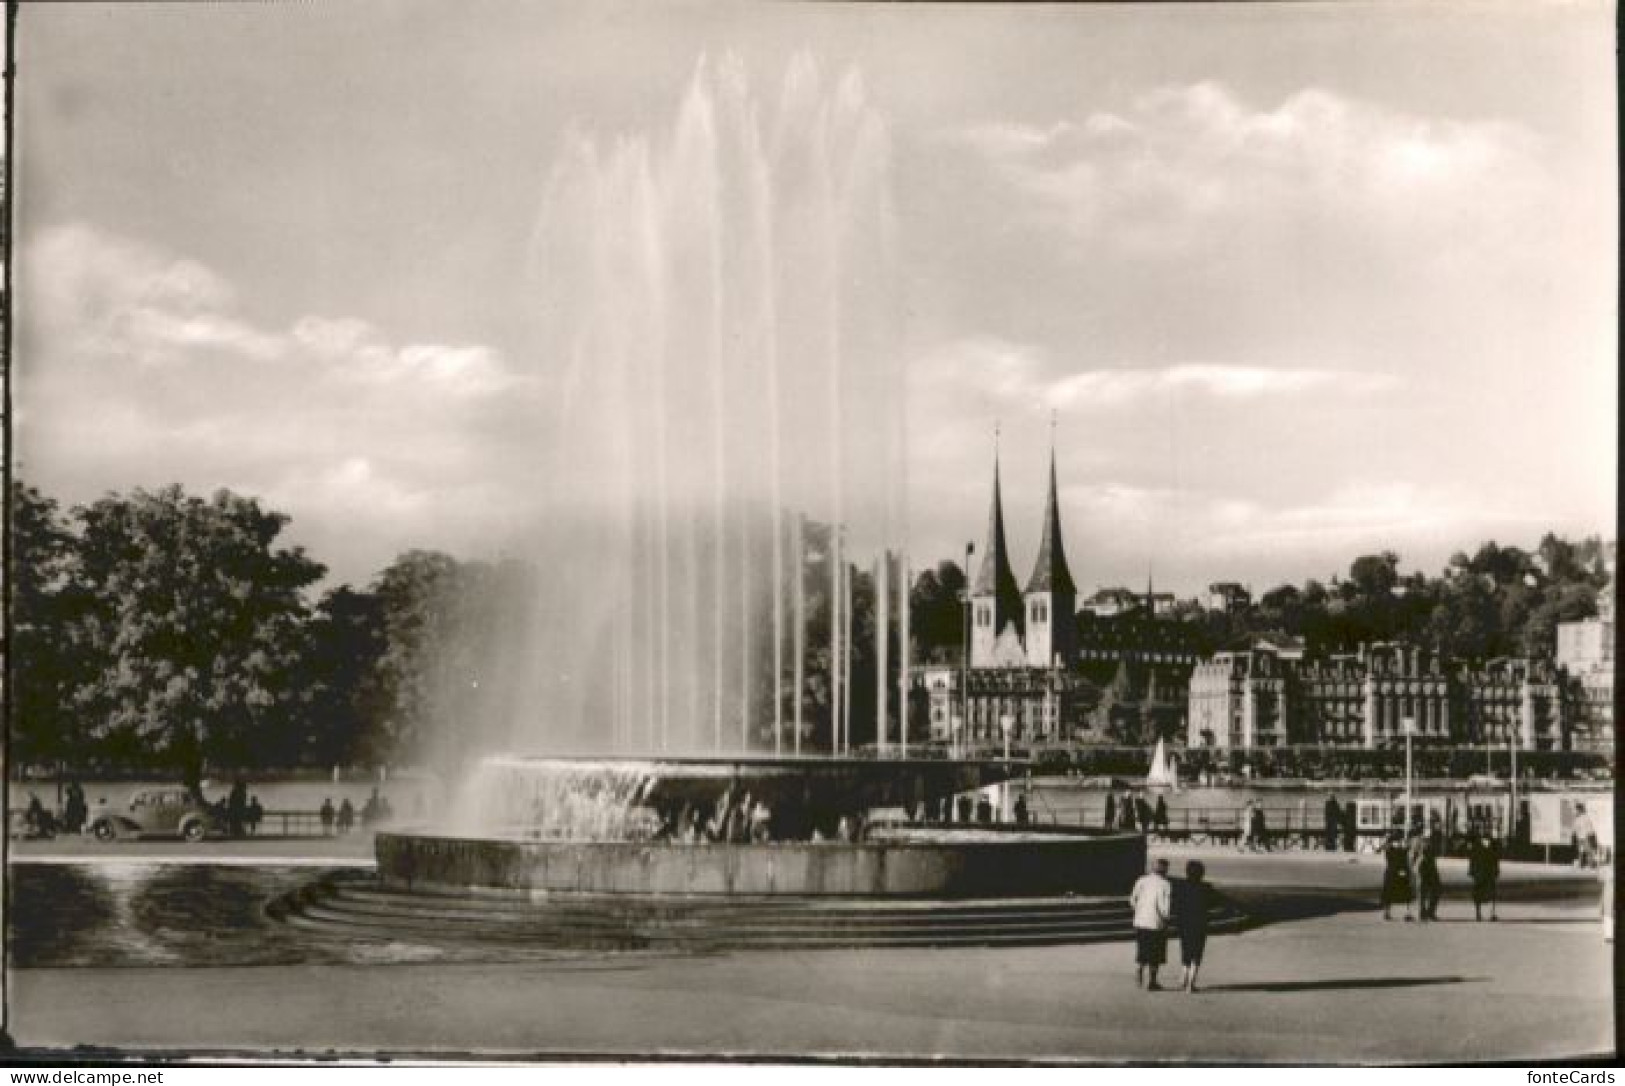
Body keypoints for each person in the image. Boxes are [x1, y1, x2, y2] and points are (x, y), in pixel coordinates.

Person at [1129, 857, 1173, 990]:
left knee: (1142, 949)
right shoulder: (1165, 884)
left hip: (1141, 921)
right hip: (1156, 922)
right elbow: (1165, 907)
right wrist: (1166, 919)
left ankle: (1139, 970)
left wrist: (1138, 910)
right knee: (1156, 954)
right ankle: (1152, 981)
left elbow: (1132, 899)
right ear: (1164, 869)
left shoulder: (1141, 880)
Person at [1172, 859, 1212, 993]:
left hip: (1184, 923)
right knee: (1197, 953)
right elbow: (1211, 905)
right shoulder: (1206, 888)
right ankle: (1191, 984)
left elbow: (1176, 905)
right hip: (1200, 924)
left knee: (1186, 950)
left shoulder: (1181, 887)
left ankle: (1183, 978)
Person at [1468, 832, 1501, 921]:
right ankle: (1479, 914)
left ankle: (1491, 913)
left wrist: (1496, 871)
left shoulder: (1492, 846)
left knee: (1491, 894)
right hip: (1480, 874)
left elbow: (1496, 860)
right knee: (1479, 895)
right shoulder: (1477, 847)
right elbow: (1472, 860)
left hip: (1489, 874)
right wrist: (1472, 872)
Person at [1382, 832, 1414, 921]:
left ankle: (1406, 913)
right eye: (1398, 841)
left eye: (1399, 841)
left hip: (1394, 873)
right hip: (1396, 873)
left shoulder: (1394, 850)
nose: (1399, 843)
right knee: (1395, 893)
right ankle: (1388, 913)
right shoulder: (1394, 850)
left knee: (1404, 893)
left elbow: (1408, 846)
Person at [1417, 835, 1442, 921]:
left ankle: (1427, 912)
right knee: (1423, 893)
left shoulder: (1430, 849)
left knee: (1433, 892)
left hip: (1430, 872)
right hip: (1425, 873)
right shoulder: (1421, 851)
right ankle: (1425, 913)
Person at [1572, 803, 1598, 869]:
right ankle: (1582, 864)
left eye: (1576, 809)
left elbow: (1589, 829)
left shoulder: (1585, 817)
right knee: (1581, 851)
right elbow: (1576, 829)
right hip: (1580, 837)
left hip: (1585, 837)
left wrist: (1587, 838)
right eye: (1575, 810)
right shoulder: (1577, 818)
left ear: (1580, 810)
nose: (1574, 811)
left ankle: (1592, 864)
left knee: (1588, 851)